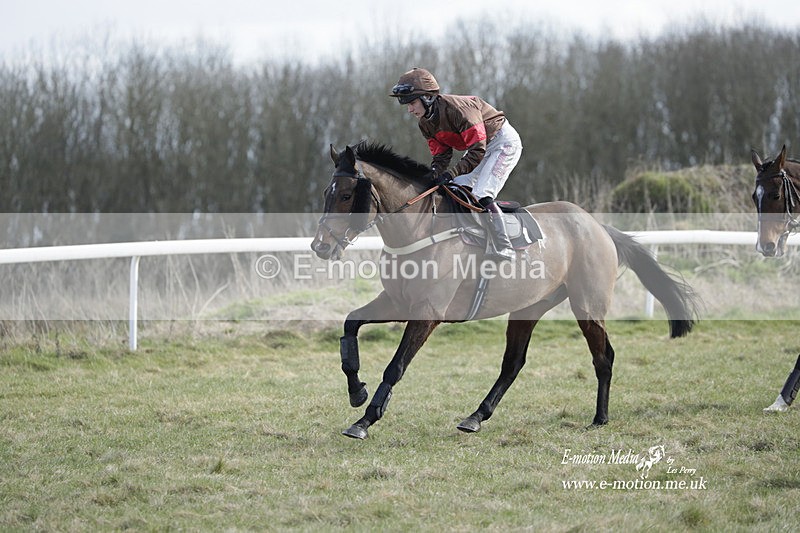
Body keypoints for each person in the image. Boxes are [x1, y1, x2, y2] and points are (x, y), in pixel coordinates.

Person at [389, 67, 522, 261]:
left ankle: (504, 245)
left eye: (412, 103)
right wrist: (433, 174)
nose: (409, 110)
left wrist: (451, 173)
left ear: (427, 97)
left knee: (481, 194)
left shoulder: (459, 110)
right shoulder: (425, 123)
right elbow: (442, 155)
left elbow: (477, 150)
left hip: (502, 143)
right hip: (481, 147)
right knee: (454, 189)